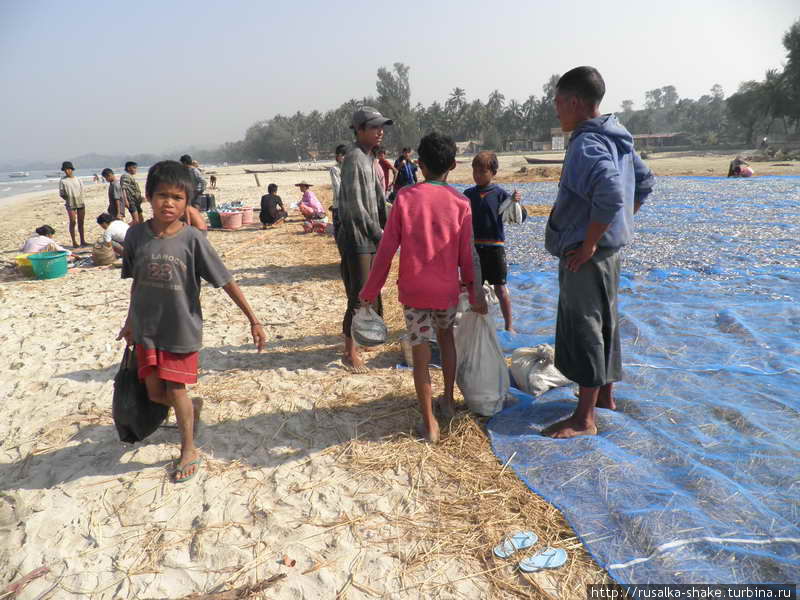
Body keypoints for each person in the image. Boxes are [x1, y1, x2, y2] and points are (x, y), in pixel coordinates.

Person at [117, 160, 266, 483]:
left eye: (177, 197)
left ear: (187, 202)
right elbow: (136, 282)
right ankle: (192, 409)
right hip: (146, 330)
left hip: (180, 329)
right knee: (156, 393)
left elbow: (225, 280)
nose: (168, 203)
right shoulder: (135, 236)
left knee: (176, 389)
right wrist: (130, 322)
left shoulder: (193, 240)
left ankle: (188, 448)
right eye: (161, 195)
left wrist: (253, 319)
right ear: (148, 197)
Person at [543, 66, 654, 439]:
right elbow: (644, 182)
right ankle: (605, 396)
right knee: (606, 321)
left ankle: (583, 418)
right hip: (609, 253)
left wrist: (590, 241)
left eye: (558, 102)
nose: (556, 109)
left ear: (575, 102)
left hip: (588, 255)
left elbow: (610, 192)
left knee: (586, 326)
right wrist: (615, 226)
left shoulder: (587, 144)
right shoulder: (618, 138)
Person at [360, 132, 486, 443]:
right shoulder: (461, 203)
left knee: (419, 352)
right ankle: (447, 401)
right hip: (446, 292)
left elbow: (386, 251)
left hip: (415, 292)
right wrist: (475, 291)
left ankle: (429, 422)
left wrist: (369, 292)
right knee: (446, 340)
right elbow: (467, 255)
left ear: (419, 164)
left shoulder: (405, 198)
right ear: (453, 165)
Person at [337, 106, 392, 372]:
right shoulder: (355, 159)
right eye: (374, 127)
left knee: (370, 292)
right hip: (359, 239)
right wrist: (381, 235)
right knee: (358, 296)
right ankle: (349, 353)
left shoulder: (369, 159)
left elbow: (379, 201)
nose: (380, 132)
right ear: (359, 130)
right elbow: (357, 209)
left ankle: (360, 339)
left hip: (370, 237)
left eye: (381, 127)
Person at [463, 151, 523, 332]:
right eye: (475, 171)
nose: (477, 175)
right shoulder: (468, 194)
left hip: (495, 248)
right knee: (474, 289)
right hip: (475, 249)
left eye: (482, 172)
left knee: (501, 289)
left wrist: (516, 202)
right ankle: (480, 324)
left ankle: (508, 325)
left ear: (493, 173)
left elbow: (519, 216)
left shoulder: (500, 194)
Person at [59, 161, 87, 247]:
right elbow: (62, 194)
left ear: (71, 169)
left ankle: (82, 240)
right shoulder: (63, 181)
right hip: (70, 204)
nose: (67, 171)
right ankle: (74, 241)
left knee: (81, 222)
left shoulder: (78, 179)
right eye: (65, 170)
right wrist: (68, 200)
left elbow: (82, 190)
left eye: (68, 169)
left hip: (80, 203)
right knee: (72, 221)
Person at [329, 144, 347, 236]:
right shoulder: (336, 169)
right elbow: (337, 187)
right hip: (346, 205)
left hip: (341, 206)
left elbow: (338, 188)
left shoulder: (336, 169)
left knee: (340, 233)